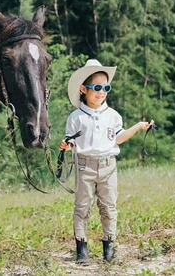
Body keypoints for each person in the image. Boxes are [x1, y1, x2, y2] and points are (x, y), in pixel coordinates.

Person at [59, 59, 153, 264]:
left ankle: (109, 246)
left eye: (106, 87)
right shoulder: (76, 117)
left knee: (109, 207)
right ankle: (81, 247)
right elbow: (72, 141)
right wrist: (67, 146)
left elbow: (117, 138)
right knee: (82, 207)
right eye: (97, 87)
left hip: (108, 167)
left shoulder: (113, 115)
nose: (102, 92)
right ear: (84, 89)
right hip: (85, 167)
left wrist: (137, 127)